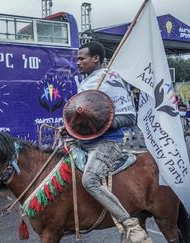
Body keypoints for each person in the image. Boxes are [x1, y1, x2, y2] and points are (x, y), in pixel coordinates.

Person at [74, 41, 152, 243]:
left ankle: (130, 225)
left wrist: (101, 124)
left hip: (108, 143)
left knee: (89, 180)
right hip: (83, 143)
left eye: (82, 58)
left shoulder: (112, 80)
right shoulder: (85, 83)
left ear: (96, 58)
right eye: (77, 59)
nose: (78, 62)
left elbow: (128, 118)